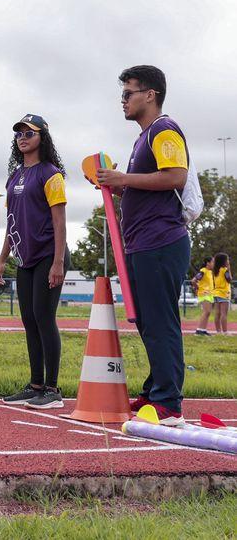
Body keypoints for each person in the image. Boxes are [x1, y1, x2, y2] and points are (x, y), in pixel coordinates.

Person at [96, 65, 191, 426]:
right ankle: (156, 390)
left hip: (160, 241)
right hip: (141, 243)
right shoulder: (143, 137)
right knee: (148, 322)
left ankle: (168, 404)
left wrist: (124, 178)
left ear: (149, 94)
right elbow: (149, 183)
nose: (122, 101)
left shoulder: (164, 129)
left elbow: (175, 176)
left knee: (160, 320)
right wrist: (121, 186)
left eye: (127, 93)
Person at [0, 114, 70, 410]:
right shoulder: (14, 177)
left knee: (44, 317)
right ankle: (35, 384)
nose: (23, 137)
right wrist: (2, 260)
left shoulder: (51, 174)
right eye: (19, 134)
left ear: (43, 137)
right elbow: (12, 222)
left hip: (49, 254)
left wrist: (58, 261)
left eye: (30, 133)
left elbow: (60, 221)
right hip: (24, 259)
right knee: (29, 320)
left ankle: (52, 389)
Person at [191, 256, 215, 336]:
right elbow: (194, 280)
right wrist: (197, 287)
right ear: (208, 263)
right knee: (206, 312)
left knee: (208, 313)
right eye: (213, 262)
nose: (214, 264)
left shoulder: (210, 272)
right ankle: (198, 331)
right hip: (204, 294)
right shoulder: (203, 271)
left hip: (210, 294)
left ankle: (203, 330)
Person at [212, 253, 230, 335]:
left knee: (217, 313)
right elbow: (229, 279)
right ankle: (225, 332)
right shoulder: (224, 270)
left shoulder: (215, 270)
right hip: (223, 293)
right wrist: (229, 269)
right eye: (227, 259)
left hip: (216, 293)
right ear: (224, 261)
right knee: (224, 314)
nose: (228, 261)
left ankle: (218, 331)